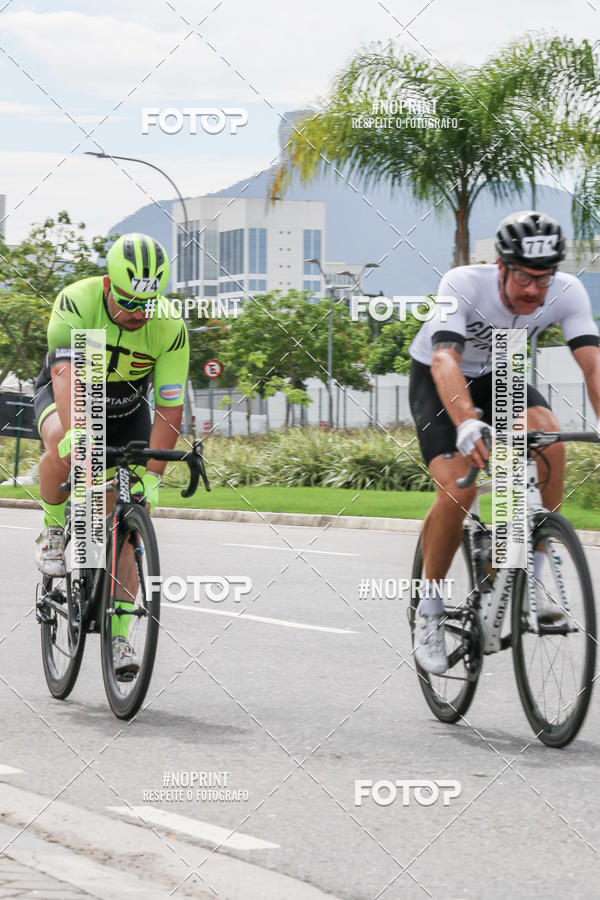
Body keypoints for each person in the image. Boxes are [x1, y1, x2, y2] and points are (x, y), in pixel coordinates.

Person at [408, 210, 600, 674]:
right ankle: (429, 611)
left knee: (549, 441)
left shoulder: (568, 292)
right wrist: (468, 423)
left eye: (544, 278)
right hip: (439, 380)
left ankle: (528, 566)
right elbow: (443, 360)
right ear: (501, 267)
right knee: (460, 488)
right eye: (524, 277)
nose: (534, 290)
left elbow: (593, 365)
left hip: (501, 373)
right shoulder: (463, 284)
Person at [33, 233, 189, 676]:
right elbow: (68, 377)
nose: (137, 315)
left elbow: (170, 404)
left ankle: (120, 637)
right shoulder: (78, 302)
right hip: (72, 389)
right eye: (127, 303)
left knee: (129, 520)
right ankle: (53, 529)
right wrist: (80, 436)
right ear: (108, 285)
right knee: (65, 442)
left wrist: (153, 476)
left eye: (146, 305)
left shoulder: (169, 325)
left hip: (128, 409)